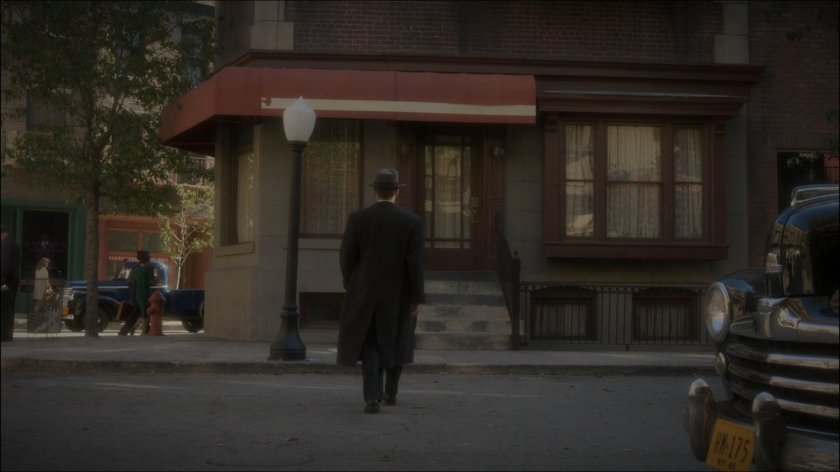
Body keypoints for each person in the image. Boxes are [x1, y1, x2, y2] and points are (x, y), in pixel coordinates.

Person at [336, 169, 425, 413]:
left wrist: (352, 284)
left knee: (371, 344)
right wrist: (416, 296)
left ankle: (372, 397)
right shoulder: (413, 222)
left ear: (375, 191)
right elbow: (415, 264)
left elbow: (346, 258)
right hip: (399, 293)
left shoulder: (358, 219)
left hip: (365, 291)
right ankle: (390, 392)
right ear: (397, 192)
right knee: (398, 340)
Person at [118, 250, 155, 336]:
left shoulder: (135, 269)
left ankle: (129, 329)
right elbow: (149, 282)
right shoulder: (148, 270)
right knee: (143, 313)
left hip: (135, 294)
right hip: (143, 294)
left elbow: (130, 282)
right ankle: (142, 331)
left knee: (137, 313)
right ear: (147, 260)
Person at [1, 224, 23, 342]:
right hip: (12, 281)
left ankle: (3, 334)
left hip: (6, 281)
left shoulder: (6, 244)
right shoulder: (13, 243)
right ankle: (7, 334)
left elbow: (4, 266)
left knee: (4, 308)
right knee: (9, 308)